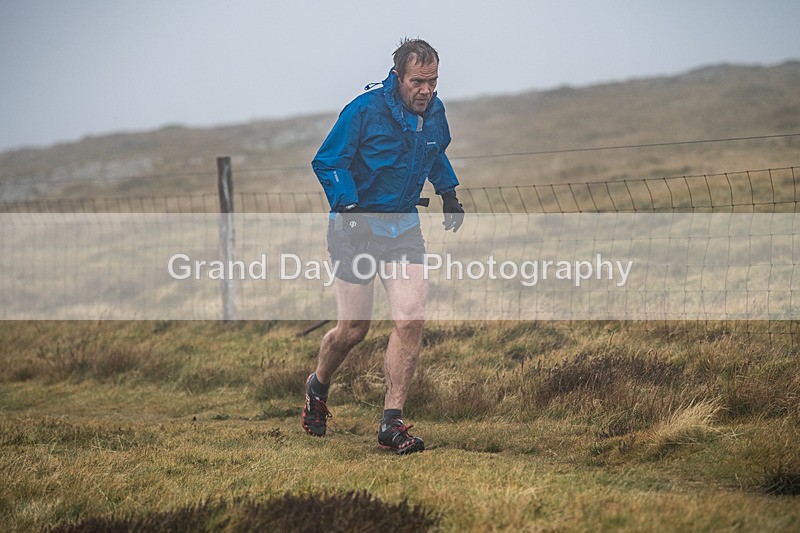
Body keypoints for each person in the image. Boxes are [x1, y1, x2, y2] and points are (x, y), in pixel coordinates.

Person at [302, 38, 464, 455]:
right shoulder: (364, 111)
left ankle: (391, 424)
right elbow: (328, 161)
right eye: (417, 82)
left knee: (410, 320)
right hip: (354, 228)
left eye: (432, 81)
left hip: (403, 228)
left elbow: (434, 151)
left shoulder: (434, 111)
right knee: (354, 329)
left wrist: (448, 193)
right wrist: (349, 209)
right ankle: (318, 385)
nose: (426, 90)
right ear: (398, 77)